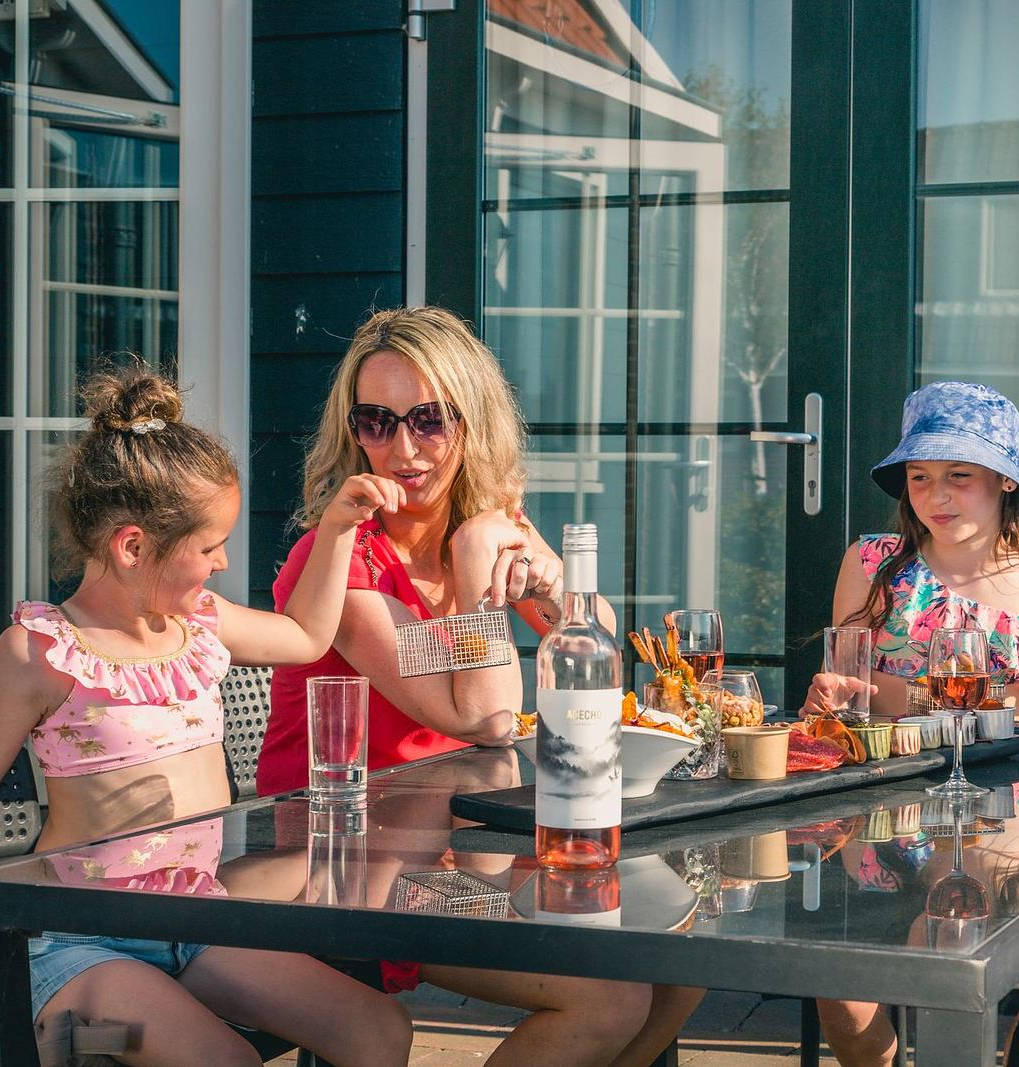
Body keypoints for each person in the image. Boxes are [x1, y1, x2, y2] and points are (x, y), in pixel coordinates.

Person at [0, 364, 413, 1066]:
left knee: (378, 1029)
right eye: (209, 546)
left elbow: (307, 635)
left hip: (196, 916)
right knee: (226, 1062)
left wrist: (337, 527)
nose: (223, 563)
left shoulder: (203, 624)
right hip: (83, 935)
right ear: (132, 547)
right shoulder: (40, 653)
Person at [257, 305, 698, 1067]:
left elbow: (599, 641)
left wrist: (552, 581)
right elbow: (486, 716)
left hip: (464, 838)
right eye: (376, 421)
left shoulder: (486, 522)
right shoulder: (340, 561)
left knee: (682, 958)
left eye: (429, 420)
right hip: (355, 861)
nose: (403, 449)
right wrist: (474, 567)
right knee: (609, 997)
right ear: (352, 430)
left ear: (473, 420)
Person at [798, 380, 1019, 1066]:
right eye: (920, 477)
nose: (937, 495)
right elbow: (848, 686)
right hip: (884, 808)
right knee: (839, 991)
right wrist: (960, 700)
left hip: (1009, 811)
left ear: (1004, 481)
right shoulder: (874, 564)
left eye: (959, 475)